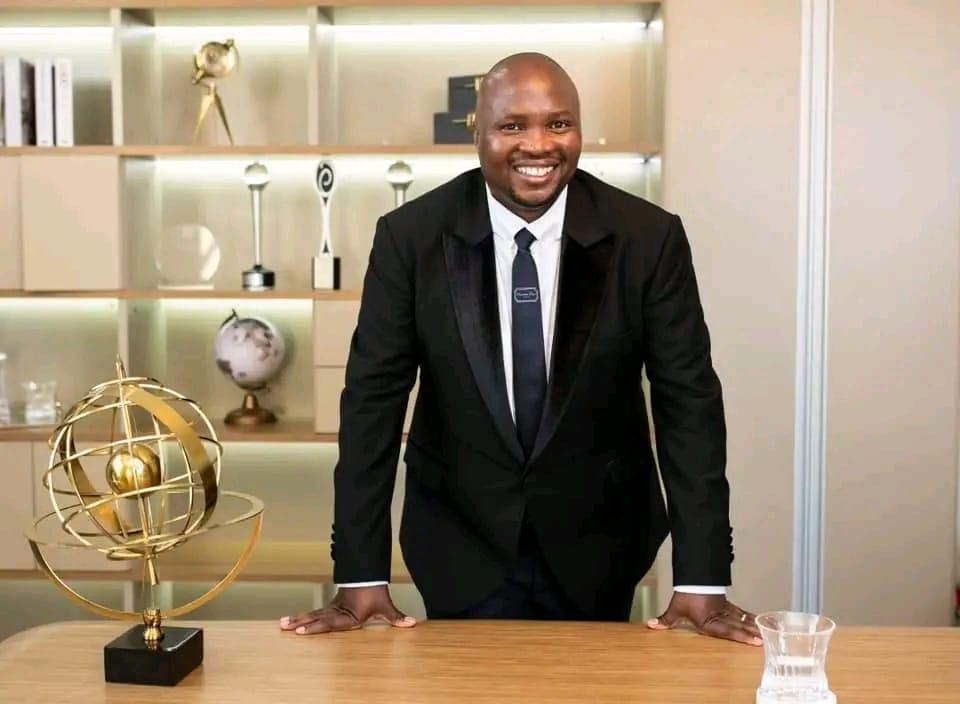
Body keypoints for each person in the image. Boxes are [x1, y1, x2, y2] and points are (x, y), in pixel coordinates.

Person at [280, 51, 760, 646]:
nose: (538, 145)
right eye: (512, 125)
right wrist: (360, 572)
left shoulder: (649, 238)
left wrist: (703, 577)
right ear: (477, 133)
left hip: (602, 544)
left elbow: (689, 404)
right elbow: (371, 406)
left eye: (558, 124)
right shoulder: (410, 238)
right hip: (458, 542)